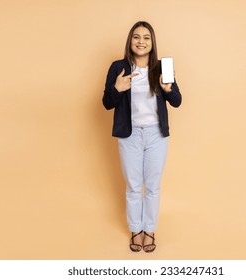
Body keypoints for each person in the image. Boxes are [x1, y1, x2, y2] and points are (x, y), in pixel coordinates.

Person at [102, 21, 182, 253]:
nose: (141, 41)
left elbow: (177, 101)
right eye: (136, 37)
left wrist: (168, 89)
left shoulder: (161, 68)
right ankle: (136, 229)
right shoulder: (118, 67)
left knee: (154, 186)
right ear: (130, 41)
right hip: (130, 135)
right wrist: (117, 88)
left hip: (157, 134)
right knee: (134, 186)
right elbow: (107, 103)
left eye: (146, 37)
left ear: (152, 42)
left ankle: (150, 230)